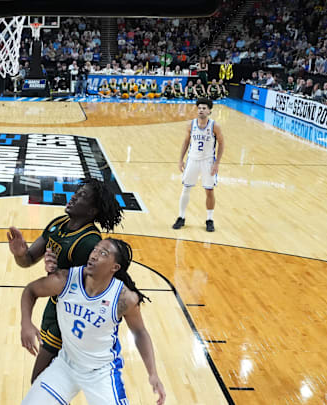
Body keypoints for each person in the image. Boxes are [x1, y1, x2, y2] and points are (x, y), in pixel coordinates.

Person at [20, 239, 166, 405]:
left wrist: (153, 373)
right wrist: (26, 322)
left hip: (101, 373)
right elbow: (31, 290)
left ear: (115, 267)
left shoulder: (124, 299)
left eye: (103, 253)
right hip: (66, 364)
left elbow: (140, 332)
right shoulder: (65, 280)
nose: (94, 255)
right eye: (95, 250)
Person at [7, 179, 124, 382]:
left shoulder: (89, 242)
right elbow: (28, 260)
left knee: (41, 383)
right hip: (54, 308)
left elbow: (89, 290)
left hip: (72, 318)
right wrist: (20, 253)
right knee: (50, 388)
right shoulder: (57, 225)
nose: (74, 196)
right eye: (77, 192)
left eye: (82, 196)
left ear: (92, 211)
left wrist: (57, 274)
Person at [172, 98, 225, 232]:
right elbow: (185, 142)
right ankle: (181, 217)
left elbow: (222, 144)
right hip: (192, 160)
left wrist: (217, 163)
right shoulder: (191, 125)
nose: (201, 110)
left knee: (209, 190)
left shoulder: (215, 126)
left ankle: (209, 219)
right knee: (186, 188)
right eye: (199, 108)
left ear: (209, 111)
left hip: (208, 161)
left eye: (204, 108)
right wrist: (180, 159)